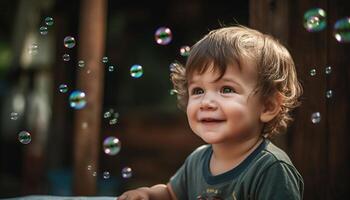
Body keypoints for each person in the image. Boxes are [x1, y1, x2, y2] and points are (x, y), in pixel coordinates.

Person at [118, 25, 304, 200]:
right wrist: (148, 194)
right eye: (198, 91)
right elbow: (171, 194)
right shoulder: (198, 160)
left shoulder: (270, 169)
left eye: (226, 89)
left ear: (268, 106)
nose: (206, 102)